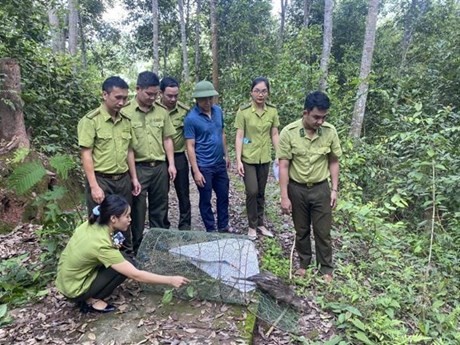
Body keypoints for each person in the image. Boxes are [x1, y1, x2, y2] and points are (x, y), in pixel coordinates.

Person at [56, 195, 189, 313]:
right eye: (127, 216)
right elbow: (135, 275)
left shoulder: (92, 223)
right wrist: (170, 280)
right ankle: (91, 300)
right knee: (125, 268)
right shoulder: (101, 244)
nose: (130, 219)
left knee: (123, 259)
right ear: (113, 218)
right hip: (73, 289)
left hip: (65, 280)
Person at [277, 91, 342, 282]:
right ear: (305, 112)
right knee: (302, 229)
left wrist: (334, 189)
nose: (320, 122)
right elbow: (284, 165)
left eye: (324, 117)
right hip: (297, 188)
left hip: (321, 188)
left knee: (323, 231)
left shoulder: (330, 131)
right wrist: (284, 196)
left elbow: (334, 161)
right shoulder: (289, 133)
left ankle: (326, 269)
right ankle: (304, 264)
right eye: (316, 117)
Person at [77, 76, 141, 254]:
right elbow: (86, 154)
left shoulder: (126, 121)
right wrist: (94, 186)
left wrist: (134, 178)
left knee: (124, 219)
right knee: (100, 221)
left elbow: (129, 151)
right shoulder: (91, 121)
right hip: (101, 180)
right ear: (105, 95)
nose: (121, 102)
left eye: (125, 98)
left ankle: (126, 257)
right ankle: (102, 260)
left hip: (122, 179)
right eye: (117, 97)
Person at [123, 71, 176, 254]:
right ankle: (137, 245)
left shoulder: (161, 112)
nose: (153, 98)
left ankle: (158, 241)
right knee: (137, 209)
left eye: (155, 94)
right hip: (138, 167)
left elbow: (168, 138)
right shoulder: (126, 112)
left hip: (160, 167)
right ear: (138, 89)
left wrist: (171, 164)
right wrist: (134, 176)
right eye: (149, 94)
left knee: (160, 206)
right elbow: (127, 146)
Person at [235, 77, 279, 240]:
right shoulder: (244, 112)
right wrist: (238, 160)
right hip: (248, 158)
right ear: (251, 93)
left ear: (268, 93)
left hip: (264, 158)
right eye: (257, 91)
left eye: (264, 91)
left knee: (261, 191)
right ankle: (251, 225)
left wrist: (279, 154)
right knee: (252, 191)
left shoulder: (272, 111)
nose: (260, 94)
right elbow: (240, 136)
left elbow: (274, 134)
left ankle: (260, 223)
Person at [184, 80, 230, 232]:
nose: (208, 101)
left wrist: (226, 154)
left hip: (219, 163)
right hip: (203, 166)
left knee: (223, 196)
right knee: (206, 199)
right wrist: (196, 171)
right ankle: (210, 229)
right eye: (204, 99)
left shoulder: (218, 111)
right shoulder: (191, 119)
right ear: (197, 99)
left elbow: (222, 133)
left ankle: (223, 227)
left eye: (210, 98)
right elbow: (190, 146)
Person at [158, 77, 191, 230]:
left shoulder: (185, 111)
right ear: (160, 93)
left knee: (183, 193)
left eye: (176, 95)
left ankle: (185, 226)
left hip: (179, 156)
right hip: (159, 159)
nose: (173, 99)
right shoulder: (154, 110)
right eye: (169, 96)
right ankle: (163, 226)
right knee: (161, 195)